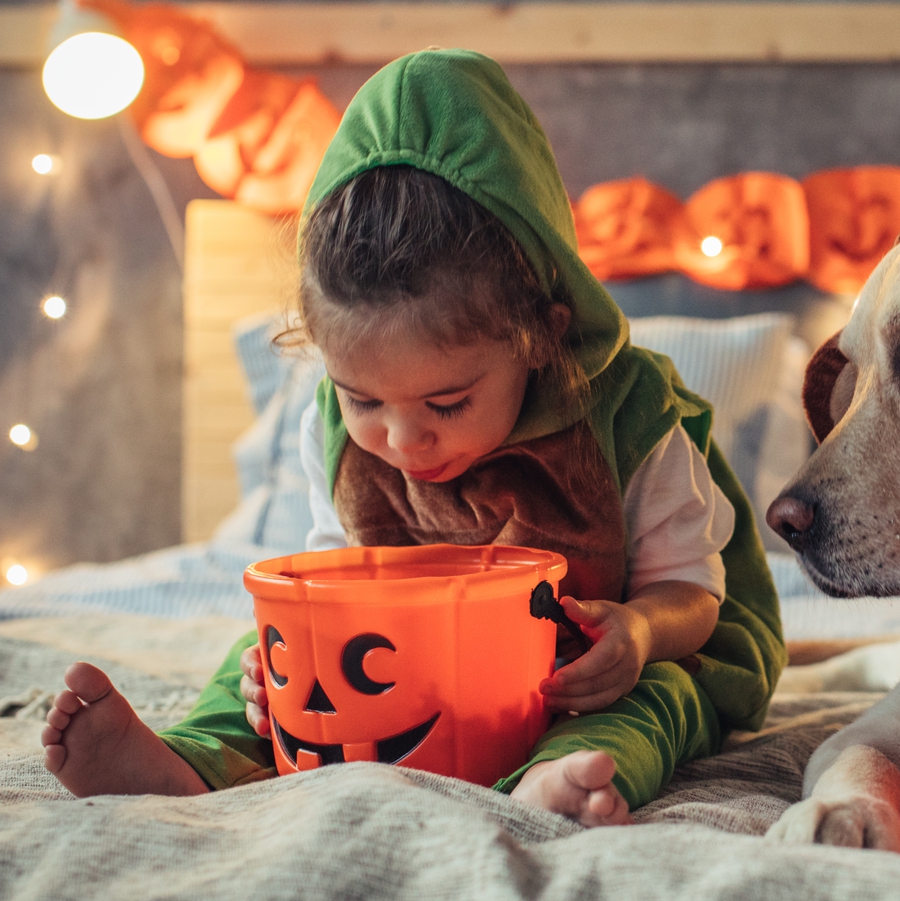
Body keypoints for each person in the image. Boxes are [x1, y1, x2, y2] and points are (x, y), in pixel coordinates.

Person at [40, 49, 785, 825]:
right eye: (361, 398)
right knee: (258, 670)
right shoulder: (330, 432)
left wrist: (636, 629)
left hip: (582, 672)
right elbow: (330, 586)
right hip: (407, 666)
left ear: (541, 336)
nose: (403, 440)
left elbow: (693, 597)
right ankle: (186, 760)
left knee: (660, 694)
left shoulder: (630, 422)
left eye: (449, 402)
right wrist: (285, 663)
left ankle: (559, 776)